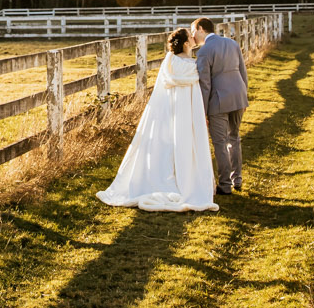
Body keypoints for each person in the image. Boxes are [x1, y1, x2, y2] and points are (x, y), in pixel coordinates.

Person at [96, 27, 217, 212]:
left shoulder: (169, 62)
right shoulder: (193, 65)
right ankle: (186, 180)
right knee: (184, 143)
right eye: (191, 38)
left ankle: (167, 179)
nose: (194, 39)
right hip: (185, 109)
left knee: (166, 145)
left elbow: (165, 85)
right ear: (186, 44)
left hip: (169, 108)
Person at [191, 16, 249, 193]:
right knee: (235, 138)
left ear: (201, 29)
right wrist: (244, 95)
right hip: (238, 97)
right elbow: (242, 71)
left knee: (220, 142)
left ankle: (225, 185)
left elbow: (205, 84)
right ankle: (236, 179)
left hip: (218, 100)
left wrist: (203, 111)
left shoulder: (204, 51)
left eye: (193, 30)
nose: (192, 35)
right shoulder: (232, 43)